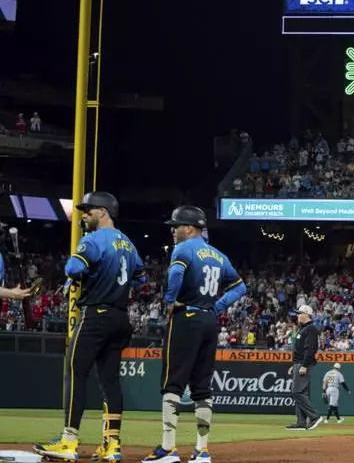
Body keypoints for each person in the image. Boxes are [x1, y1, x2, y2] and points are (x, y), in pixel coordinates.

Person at [35, 192, 144, 463]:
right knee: (110, 381)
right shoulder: (129, 244)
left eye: (88, 210)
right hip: (120, 318)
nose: (84, 215)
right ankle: (112, 445)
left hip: (96, 315)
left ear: (104, 212)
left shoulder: (93, 239)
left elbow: (73, 268)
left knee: (75, 373)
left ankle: (69, 441)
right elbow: (140, 279)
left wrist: (82, 276)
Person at [142, 207, 246, 463]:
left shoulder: (183, 249)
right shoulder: (219, 255)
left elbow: (176, 273)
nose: (172, 230)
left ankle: (168, 448)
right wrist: (217, 307)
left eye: (176, 225)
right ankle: (202, 450)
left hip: (186, 317)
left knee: (173, 383)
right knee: (202, 387)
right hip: (209, 321)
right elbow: (240, 287)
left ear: (189, 228)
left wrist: (170, 300)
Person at [286, 305, 322, 430]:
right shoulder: (303, 328)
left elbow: (310, 349)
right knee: (300, 392)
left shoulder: (311, 329)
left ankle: (314, 416)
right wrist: (294, 365)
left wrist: (304, 365)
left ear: (306, 314)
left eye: (300, 313)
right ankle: (301, 422)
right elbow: (300, 349)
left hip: (303, 363)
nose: (297, 315)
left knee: (296, 392)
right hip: (299, 363)